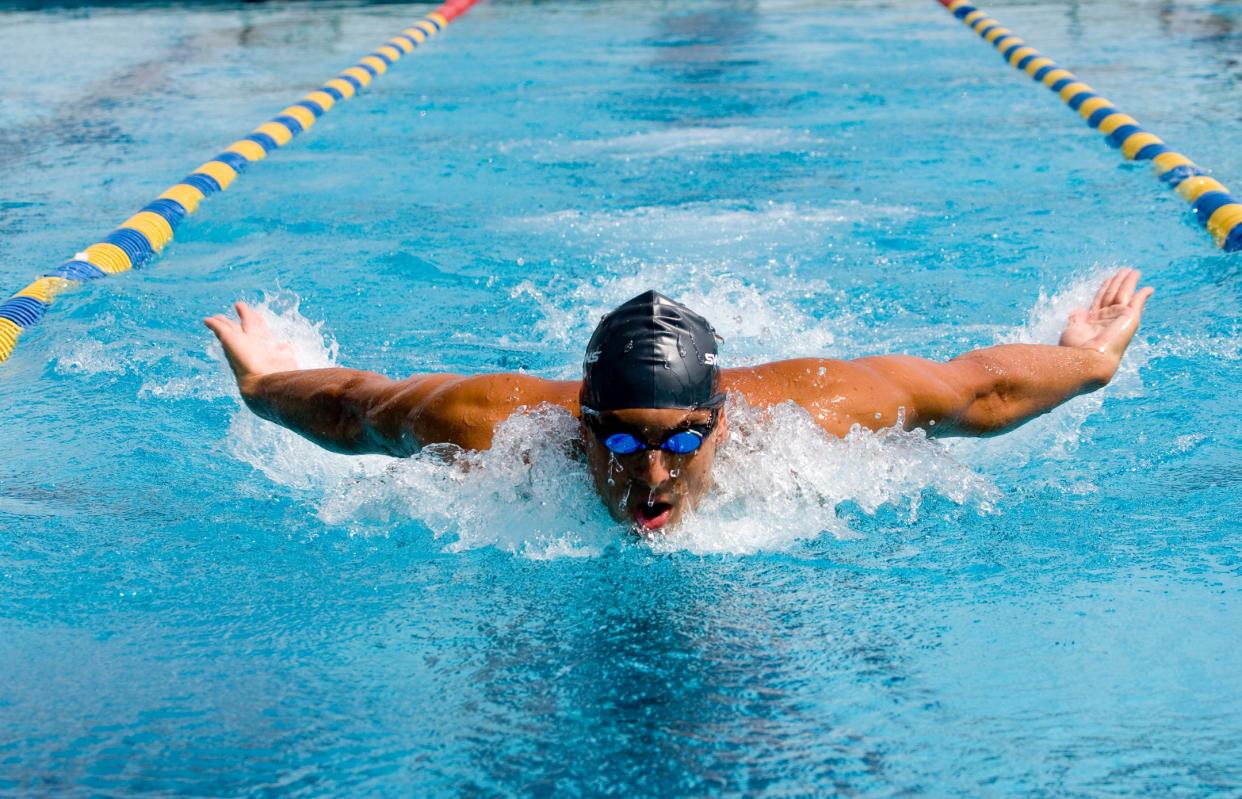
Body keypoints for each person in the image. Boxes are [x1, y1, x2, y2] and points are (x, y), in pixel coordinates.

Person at [205, 268, 1152, 533]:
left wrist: (1084, 361)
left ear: (723, 419)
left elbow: (975, 388)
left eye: (678, 443)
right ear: (577, 420)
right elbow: (356, 407)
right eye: (617, 444)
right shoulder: (501, 424)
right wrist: (264, 382)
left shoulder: (809, 414)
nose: (649, 481)